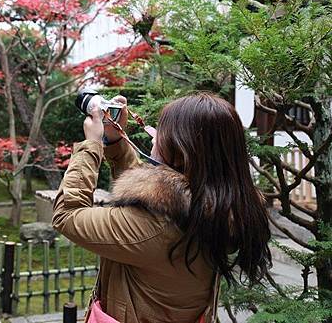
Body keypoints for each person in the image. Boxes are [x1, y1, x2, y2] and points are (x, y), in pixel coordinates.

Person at [52, 92, 272, 323]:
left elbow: (67, 215)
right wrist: (116, 143)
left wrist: (92, 145)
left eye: (162, 132)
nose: (154, 138)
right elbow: (157, 195)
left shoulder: (156, 226)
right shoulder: (214, 209)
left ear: (183, 149)